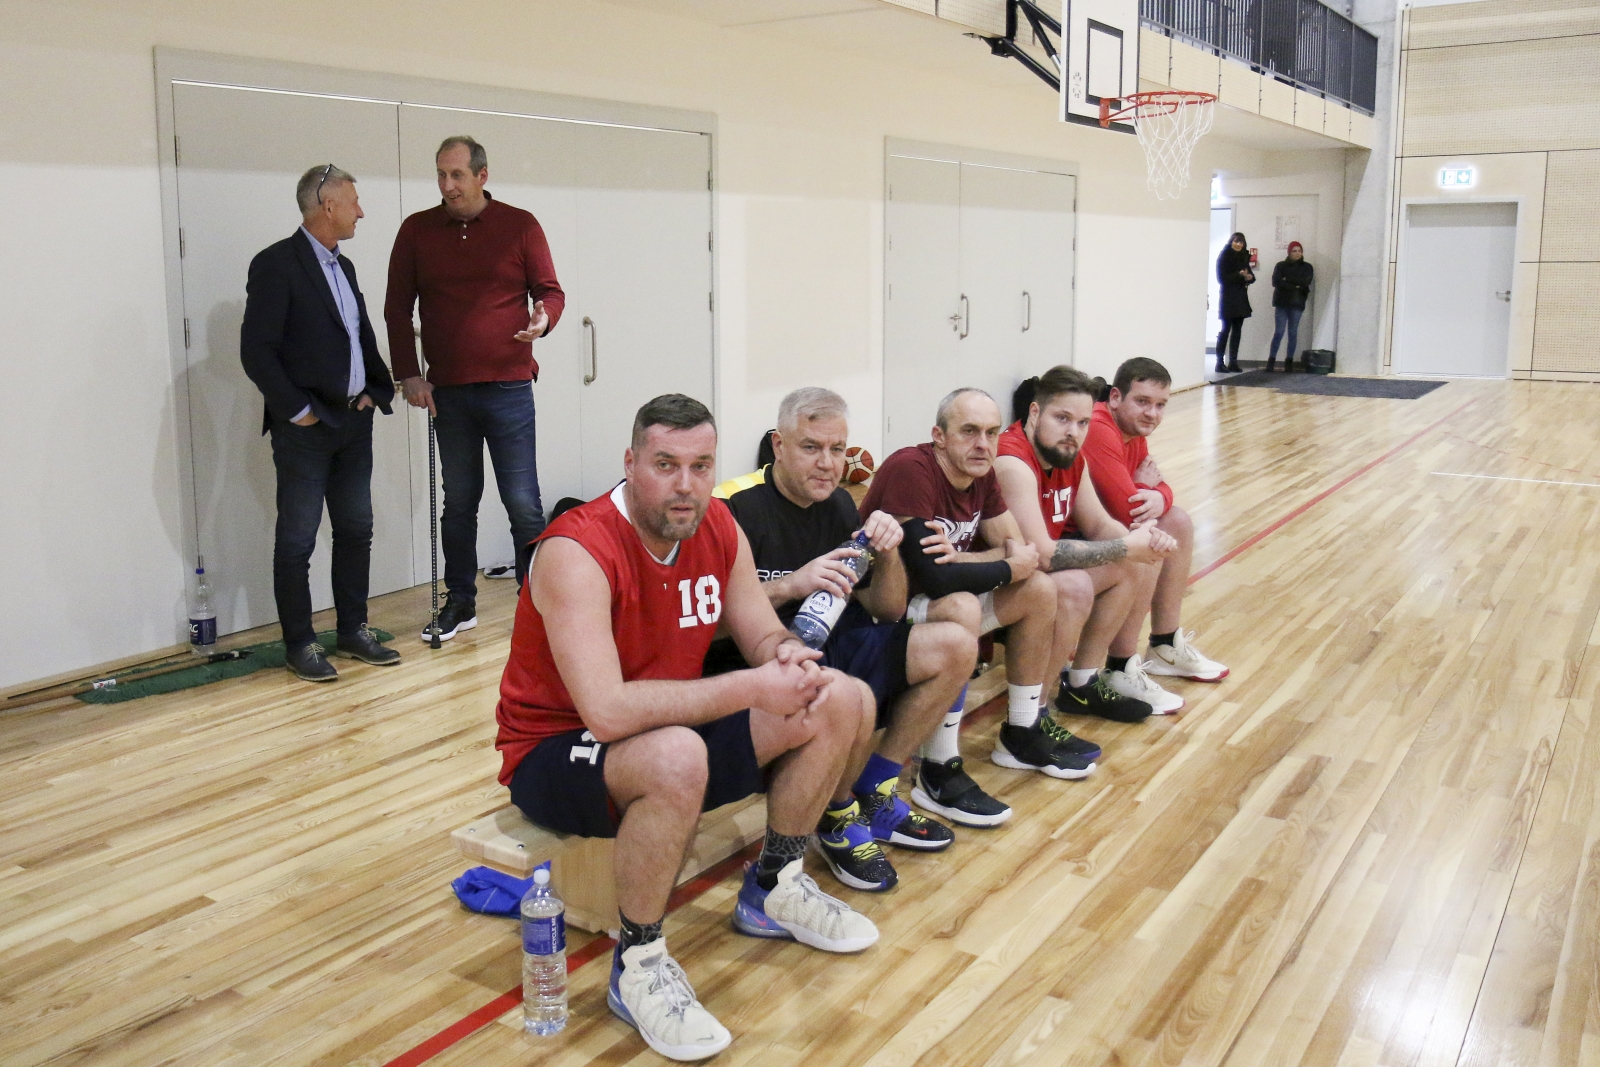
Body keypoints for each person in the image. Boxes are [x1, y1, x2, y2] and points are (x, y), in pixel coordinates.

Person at [496, 394, 879, 1062]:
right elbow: (608, 712)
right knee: (675, 754)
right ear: (630, 463)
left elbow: (759, 629)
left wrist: (782, 655)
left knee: (834, 696)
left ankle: (774, 888)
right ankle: (639, 961)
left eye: (701, 465)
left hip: (669, 722)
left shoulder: (717, 526)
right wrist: (752, 685)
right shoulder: (575, 549)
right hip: (556, 748)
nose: (685, 484)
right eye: (666, 464)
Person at [707, 388, 977, 893]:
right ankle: (836, 816)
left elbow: (887, 610)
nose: (828, 464)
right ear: (778, 445)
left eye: (838, 449)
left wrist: (890, 551)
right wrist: (792, 583)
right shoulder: (734, 508)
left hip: (836, 641)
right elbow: (708, 621)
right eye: (812, 447)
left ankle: (874, 787)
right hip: (758, 660)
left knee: (957, 645)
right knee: (844, 692)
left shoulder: (838, 506)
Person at [861, 388, 1089, 833]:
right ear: (939, 436)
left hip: (928, 604)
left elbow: (1023, 557)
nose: (983, 444)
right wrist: (997, 563)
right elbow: (932, 577)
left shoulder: (980, 473)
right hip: (880, 612)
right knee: (962, 607)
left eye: (990, 432)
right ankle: (936, 766)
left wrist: (973, 561)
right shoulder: (913, 469)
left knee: (1040, 589)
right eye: (969, 432)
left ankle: (1021, 730)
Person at [385, 135, 566, 643]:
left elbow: (550, 291)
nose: (448, 185)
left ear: (482, 176)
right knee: (459, 503)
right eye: (441, 175)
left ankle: (536, 603)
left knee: (523, 503)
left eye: (457, 175)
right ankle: (460, 602)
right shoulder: (417, 230)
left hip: (509, 386)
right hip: (449, 393)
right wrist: (409, 373)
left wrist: (543, 319)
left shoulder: (519, 225)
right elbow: (397, 308)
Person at [240, 164, 399, 682]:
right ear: (326, 206)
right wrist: (298, 411)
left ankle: (353, 630)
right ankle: (300, 643)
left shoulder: (344, 267)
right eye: (353, 200)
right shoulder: (276, 264)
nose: (360, 210)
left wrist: (376, 390)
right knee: (297, 540)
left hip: (353, 422)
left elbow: (358, 338)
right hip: (306, 429)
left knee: (356, 529)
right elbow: (257, 351)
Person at [994, 365, 1184, 723]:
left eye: (1082, 423)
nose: (1073, 432)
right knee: (1077, 584)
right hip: (996, 583)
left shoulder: (1070, 455)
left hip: (1031, 577)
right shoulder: (1012, 461)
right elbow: (1044, 556)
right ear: (1034, 413)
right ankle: (1028, 719)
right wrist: (1127, 545)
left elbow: (1098, 523)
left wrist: (1144, 540)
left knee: (1134, 561)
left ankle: (1081, 685)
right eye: (1062, 418)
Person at [1081, 358, 1230, 684]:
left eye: (1161, 405)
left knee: (1176, 520)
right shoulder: (1099, 428)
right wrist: (1149, 489)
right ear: (1116, 398)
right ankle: (1120, 667)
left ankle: (1164, 644)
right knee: (1148, 538)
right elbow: (1130, 509)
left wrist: (1160, 495)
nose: (1152, 413)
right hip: (1066, 543)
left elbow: (1153, 489)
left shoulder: (1133, 433)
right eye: (1143, 402)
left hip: (1102, 531)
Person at [1268, 241, 1314, 372]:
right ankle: (1271, 361)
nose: (1297, 253)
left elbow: (1305, 281)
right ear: (1289, 252)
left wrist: (1287, 280)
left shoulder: (1307, 267)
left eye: (1299, 250)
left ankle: (1289, 361)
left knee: (1292, 333)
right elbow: (1276, 282)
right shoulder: (1280, 266)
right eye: (1294, 251)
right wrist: (1295, 286)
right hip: (1281, 303)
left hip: (1297, 303)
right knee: (1279, 332)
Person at [1215, 232, 1255, 374]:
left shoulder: (1244, 256)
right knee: (1226, 330)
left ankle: (1233, 361)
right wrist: (1239, 275)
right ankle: (1219, 362)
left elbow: (1250, 275)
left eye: (1241, 242)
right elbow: (1221, 278)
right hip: (1228, 297)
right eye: (1236, 241)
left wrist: (1249, 277)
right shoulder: (1224, 256)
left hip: (1240, 297)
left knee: (1237, 331)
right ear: (1231, 242)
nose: (1238, 244)